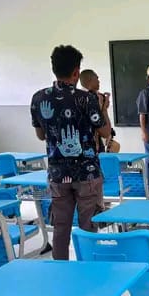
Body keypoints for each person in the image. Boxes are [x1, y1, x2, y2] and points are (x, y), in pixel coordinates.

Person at [30, 45, 112, 260]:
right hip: (87, 174)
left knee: (61, 227)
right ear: (76, 72)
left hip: (57, 174)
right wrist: (103, 109)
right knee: (88, 227)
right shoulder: (87, 98)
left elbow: (41, 135)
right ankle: (87, 269)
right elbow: (105, 132)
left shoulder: (38, 98)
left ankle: (61, 271)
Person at [79, 69, 117, 153]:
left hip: (97, 142)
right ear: (90, 80)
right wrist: (103, 109)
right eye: (97, 78)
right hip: (88, 145)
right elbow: (104, 130)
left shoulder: (97, 96)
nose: (99, 81)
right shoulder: (87, 99)